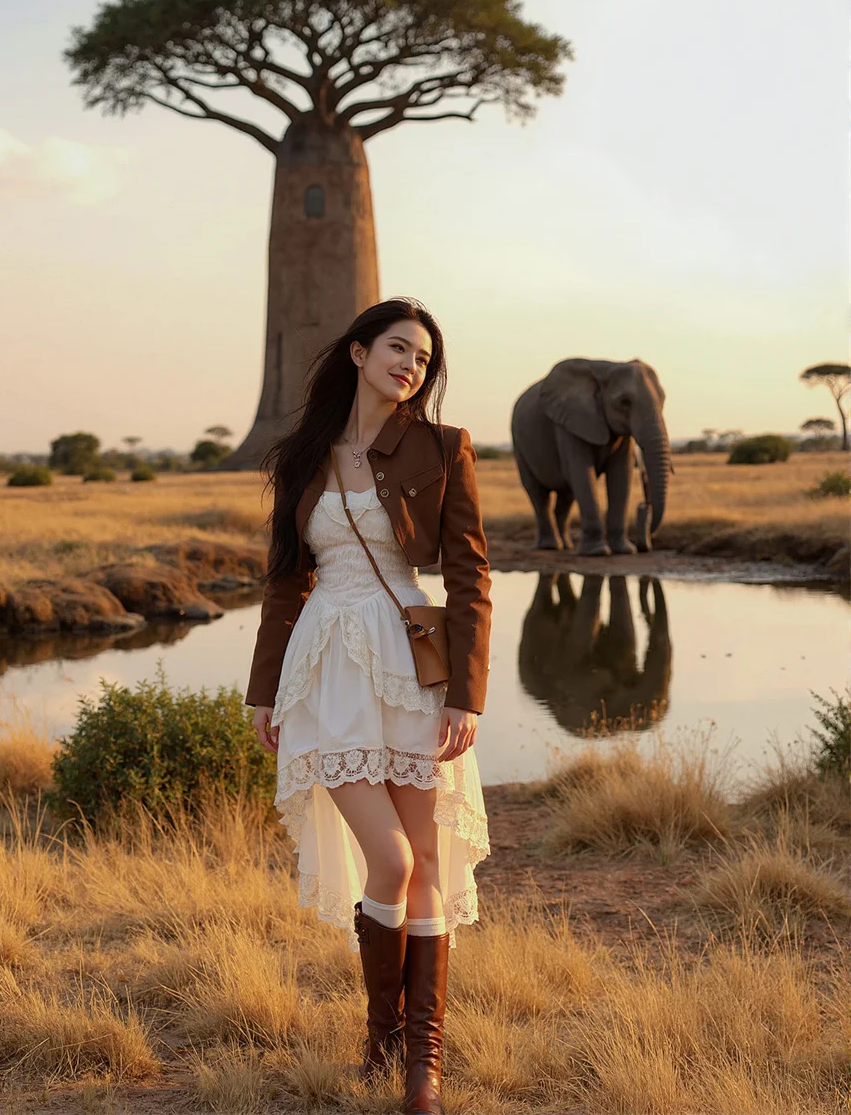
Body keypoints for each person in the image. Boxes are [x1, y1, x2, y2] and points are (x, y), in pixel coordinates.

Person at [246, 296, 492, 1114]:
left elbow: (470, 579)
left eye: (422, 358)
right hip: (326, 669)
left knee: (422, 860)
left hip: (411, 664)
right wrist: (262, 691)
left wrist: (468, 696)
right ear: (357, 353)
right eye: (396, 348)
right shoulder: (305, 455)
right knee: (388, 861)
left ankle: (417, 1057)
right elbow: (286, 582)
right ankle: (379, 1036)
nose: (410, 365)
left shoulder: (442, 448)